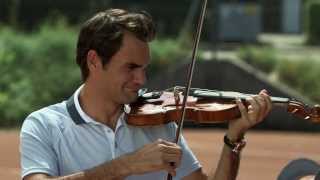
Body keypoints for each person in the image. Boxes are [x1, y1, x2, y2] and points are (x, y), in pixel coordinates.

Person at [20, 8, 272, 180]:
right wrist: (127, 165)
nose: (142, 80)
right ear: (94, 61)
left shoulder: (157, 121)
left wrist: (233, 138)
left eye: (144, 68)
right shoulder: (43, 125)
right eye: (130, 67)